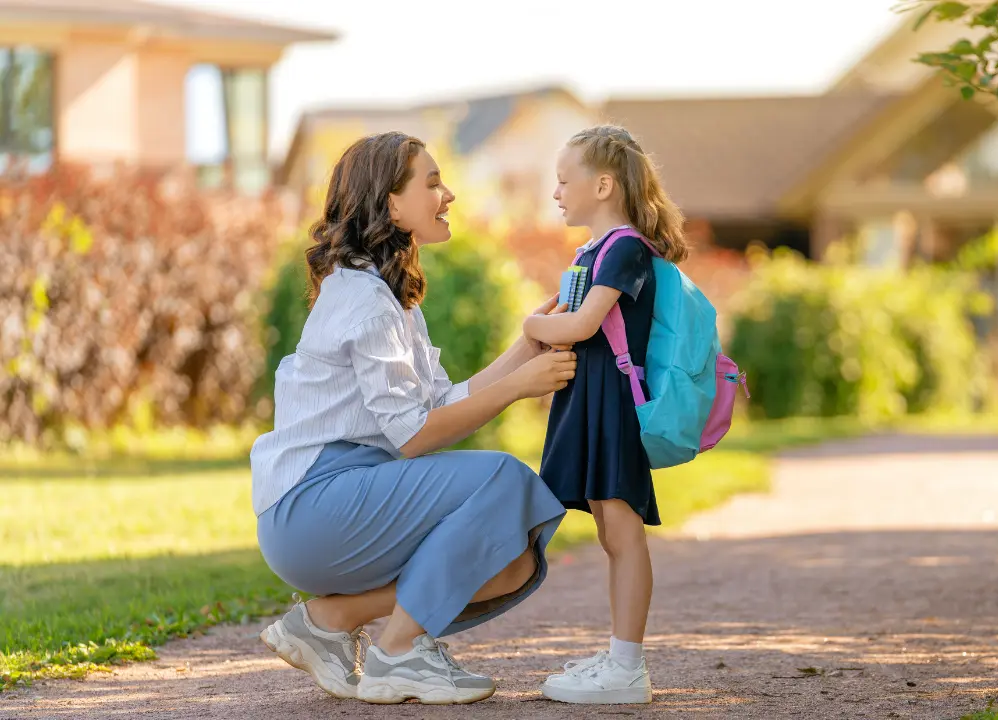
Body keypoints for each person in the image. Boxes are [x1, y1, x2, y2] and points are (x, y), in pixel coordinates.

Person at [250, 131, 576, 705]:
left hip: (340, 500)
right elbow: (415, 436)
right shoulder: (363, 299)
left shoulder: (389, 296)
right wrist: (515, 391)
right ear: (390, 203)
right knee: (506, 479)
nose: (446, 194)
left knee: (512, 558)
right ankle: (398, 652)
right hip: (312, 505)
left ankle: (328, 622)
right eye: (431, 182)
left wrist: (524, 349)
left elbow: (434, 405)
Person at [522, 124, 689, 705]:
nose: (557, 192)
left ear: (603, 184)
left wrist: (530, 325)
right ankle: (620, 657)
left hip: (613, 407)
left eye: (564, 181)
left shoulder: (625, 247)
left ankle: (628, 667)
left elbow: (581, 325)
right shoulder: (595, 249)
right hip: (592, 401)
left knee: (622, 531)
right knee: (609, 529)